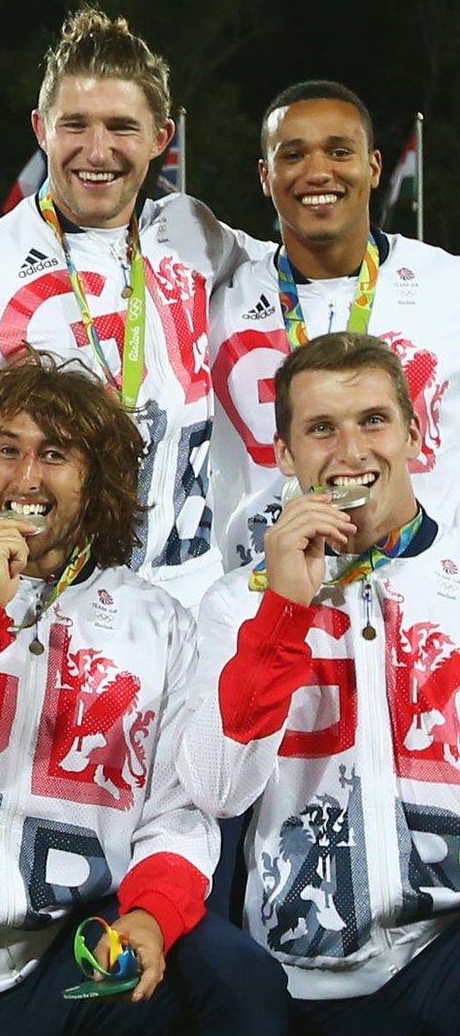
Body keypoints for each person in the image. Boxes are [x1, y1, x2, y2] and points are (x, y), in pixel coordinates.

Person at [0, 352, 285, 1033]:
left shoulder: (157, 622)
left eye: (55, 456)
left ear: (96, 479)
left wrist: (151, 915)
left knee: (237, 978)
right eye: (8, 450)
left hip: (85, 950)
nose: (26, 477)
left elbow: (178, 814)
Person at [0, 7, 246, 609]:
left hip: (191, 606)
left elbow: (296, 279)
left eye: (122, 127)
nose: (97, 151)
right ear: (42, 129)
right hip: (47, 612)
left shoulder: (196, 236)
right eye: (76, 125)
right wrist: (17, 496)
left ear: (160, 138)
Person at [181, 331, 460, 1029]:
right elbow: (217, 787)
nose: (351, 452)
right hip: (304, 980)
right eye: (321, 429)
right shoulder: (235, 604)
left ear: (414, 433)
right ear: (284, 454)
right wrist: (282, 613)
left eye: (373, 421)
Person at [209, 81, 460, 566]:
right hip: (266, 593)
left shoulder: (448, 288)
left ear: (373, 166)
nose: (318, 172)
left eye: (339, 151)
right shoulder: (217, 305)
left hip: (426, 594)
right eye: (294, 155)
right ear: (266, 175)